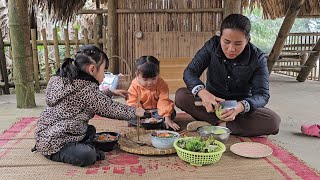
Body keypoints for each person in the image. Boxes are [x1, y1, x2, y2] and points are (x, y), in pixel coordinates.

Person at [33, 44, 145, 167]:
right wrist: (134, 111)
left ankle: (82, 144)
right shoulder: (86, 89)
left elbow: (85, 100)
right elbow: (109, 108)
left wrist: (109, 92)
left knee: (90, 130)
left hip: (47, 132)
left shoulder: (62, 79)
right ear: (92, 69)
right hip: (55, 143)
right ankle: (84, 151)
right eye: (104, 70)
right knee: (88, 155)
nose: (104, 75)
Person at [175, 14, 281, 137]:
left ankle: (216, 125)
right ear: (220, 37)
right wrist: (203, 93)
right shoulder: (212, 45)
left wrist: (241, 106)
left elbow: (262, 95)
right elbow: (190, 71)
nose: (231, 49)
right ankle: (225, 125)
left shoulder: (257, 58)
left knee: (273, 121)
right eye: (226, 42)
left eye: (238, 44)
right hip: (212, 104)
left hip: (239, 109)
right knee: (181, 96)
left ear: (247, 40)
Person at [127, 56, 180, 131]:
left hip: (157, 111)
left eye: (153, 78)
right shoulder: (134, 86)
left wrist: (167, 117)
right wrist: (141, 112)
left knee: (172, 113)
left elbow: (164, 101)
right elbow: (133, 103)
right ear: (137, 75)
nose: (149, 83)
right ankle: (157, 124)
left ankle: (155, 123)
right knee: (130, 116)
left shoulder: (162, 84)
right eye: (145, 79)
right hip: (142, 112)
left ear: (158, 74)